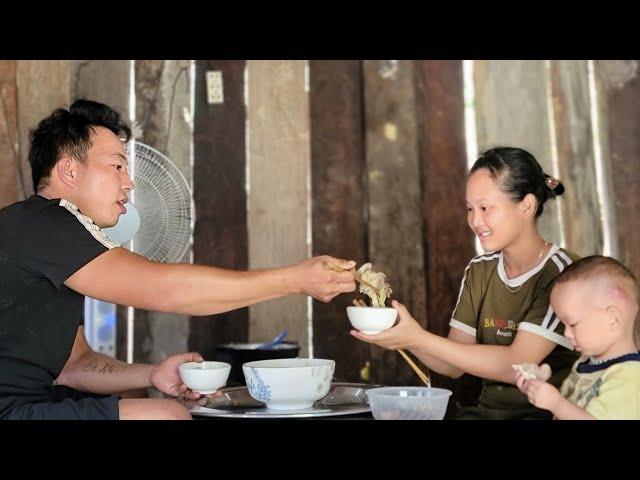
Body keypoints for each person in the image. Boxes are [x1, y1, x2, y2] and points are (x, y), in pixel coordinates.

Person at [0, 99, 356, 420]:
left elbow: (73, 366)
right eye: (117, 166)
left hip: (27, 402)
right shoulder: (46, 222)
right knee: (166, 415)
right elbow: (167, 290)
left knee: (133, 392)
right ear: (70, 172)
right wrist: (293, 280)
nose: (129, 183)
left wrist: (152, 374)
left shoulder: (46, 237)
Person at [352, 147, 580, 419]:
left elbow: (518, 365)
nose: (475, 220)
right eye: (470, 209)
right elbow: (453, 366)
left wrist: (419, 338)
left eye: (486, 208)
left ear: (527, 206)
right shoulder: (480, 271)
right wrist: (403, 334)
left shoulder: (564, 274)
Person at [516, 255, 640, 420]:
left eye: (572, 324)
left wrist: (556, 403)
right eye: (563, 325)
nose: (566, 333)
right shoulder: (586, 362)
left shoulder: (629, 377)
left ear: (613, 319)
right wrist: (540, 388)